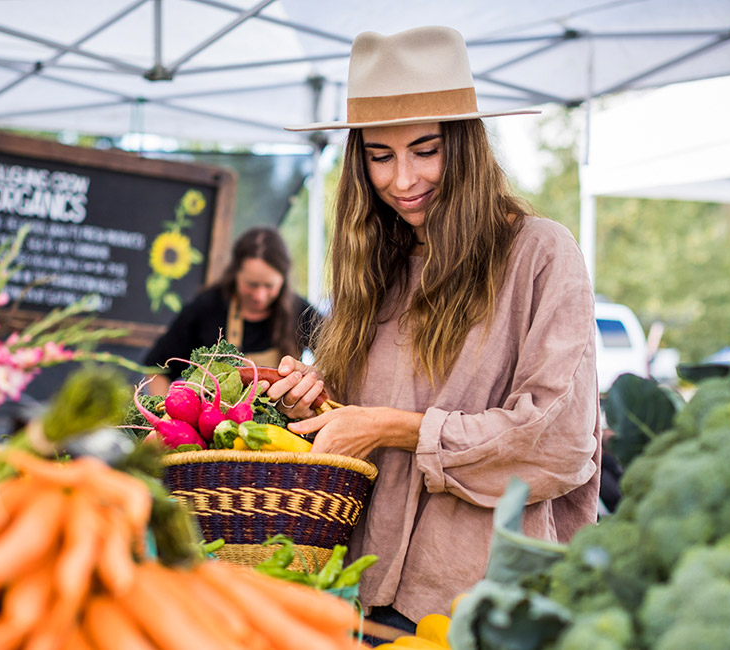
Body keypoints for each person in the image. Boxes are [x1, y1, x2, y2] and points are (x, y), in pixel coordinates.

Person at [265, 26, 602, 631]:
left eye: (425, 150)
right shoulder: (377, 265)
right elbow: (357, 422)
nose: (402, 180)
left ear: (466, 145)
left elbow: (558, 444)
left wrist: (390, 428)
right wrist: (318, 400)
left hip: (486, 603)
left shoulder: (540, 253)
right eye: (379, 156)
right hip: (359, 590)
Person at [142, 226, 321, 395]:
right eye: (251, 284)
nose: (259, 295)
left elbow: (339, 365)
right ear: (236, 273)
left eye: (269, 286)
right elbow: (157, 369)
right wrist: (167, 418)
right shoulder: (207, 308)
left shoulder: (302, 312)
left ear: (283, 280)